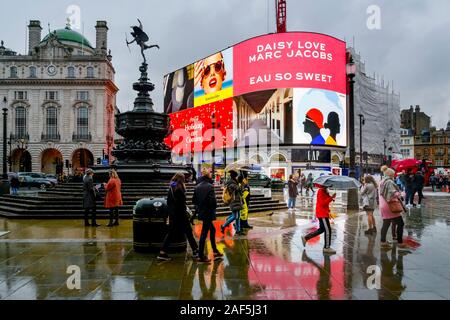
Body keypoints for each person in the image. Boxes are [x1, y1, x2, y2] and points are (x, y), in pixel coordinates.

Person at [158, 173, 199, 261]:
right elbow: (181, 204)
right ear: (181, 179)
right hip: (181, 215)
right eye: (184, 179)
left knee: (171, 234)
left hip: (173, 215)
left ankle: (162, 252)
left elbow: (169, 202)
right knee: (189, 233)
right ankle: (196, 251)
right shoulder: (179, 189)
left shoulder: (171, 187)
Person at [192, 167, 223, 263]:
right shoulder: (210, 186)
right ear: (207, 175)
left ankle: (214, 250)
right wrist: (214, 205)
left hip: (202, 211)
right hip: (208, 213)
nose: (211, 174)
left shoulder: (197, 186)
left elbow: (194, 200)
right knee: (204, 233)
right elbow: (213, 202)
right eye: (210, 172)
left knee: (212, 229)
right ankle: (201, 256)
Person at [301, 184, 337, 254]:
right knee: (328, 230)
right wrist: (331, 198)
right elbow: (322, 203)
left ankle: (306, 238)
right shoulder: (321, 191)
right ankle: (327, 247)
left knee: (322, 229)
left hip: (323, 213)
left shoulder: (325, 191)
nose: (329, 186)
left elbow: (326, 201)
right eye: (328, 185)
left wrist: (332, 198)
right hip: (322, 213)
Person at [379, 168, 407, 249]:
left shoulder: (382, 181)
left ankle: (383, 241)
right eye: (393, 174)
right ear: (391, 175)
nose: (394, 176)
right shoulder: (389, 182)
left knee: (386, 224)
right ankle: (400, 242)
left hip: (383, 205)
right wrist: (401, 194)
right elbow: (393, 193)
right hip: (390, 206)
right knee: (400, 223)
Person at [220, 170, 243, 236]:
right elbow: (238, 189)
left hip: (237, 201)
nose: (237, 177)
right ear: (234, 176)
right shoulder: (231, 183)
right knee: (235, 216)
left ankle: (238, 230)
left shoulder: (234, 182)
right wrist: (241, 183)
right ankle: (223, 226)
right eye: (236, 176)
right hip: (234, 201)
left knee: (238, 216)